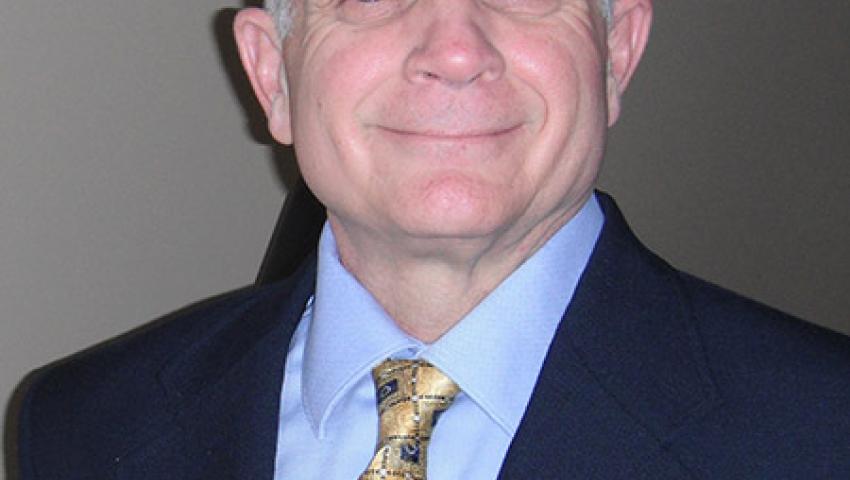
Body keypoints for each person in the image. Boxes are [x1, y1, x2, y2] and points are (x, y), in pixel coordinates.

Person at [15, 0, 850, 478]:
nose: (454, 52)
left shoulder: (826, 434)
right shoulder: (81, 426)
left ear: (616, 53)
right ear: (272, 76)